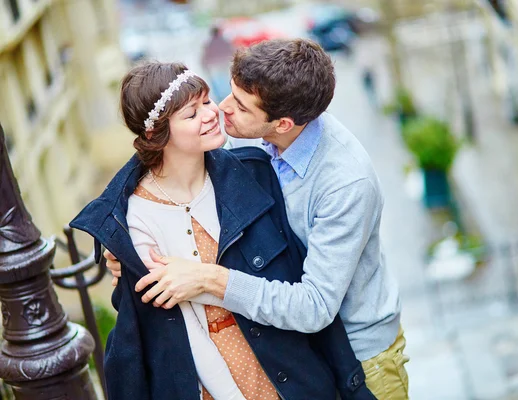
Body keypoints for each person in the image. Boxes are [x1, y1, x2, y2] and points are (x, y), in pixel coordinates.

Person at [108, 39, 409, 399]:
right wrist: (118, 241)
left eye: (239, 105)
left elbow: (314, 307)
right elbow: (165, 149)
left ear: (281, 123)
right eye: (228, 93)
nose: (221, 109)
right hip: (299, 349)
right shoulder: (255, 140)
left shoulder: (345, 184)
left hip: (363, 355)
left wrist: (209, 278)